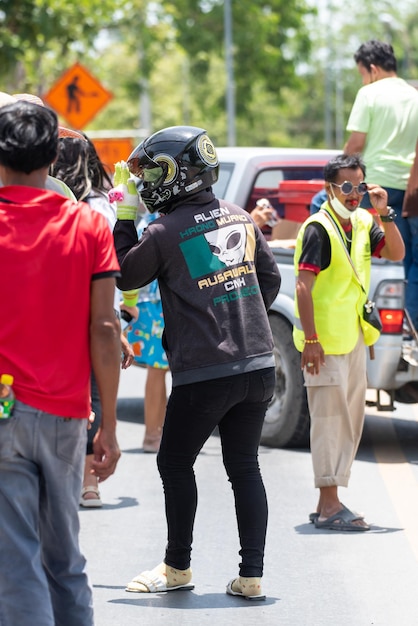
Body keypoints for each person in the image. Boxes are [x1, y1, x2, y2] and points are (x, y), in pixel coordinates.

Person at [113, 126, 281, 600]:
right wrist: (235, 312)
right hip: (258, 366)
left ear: (178, 174)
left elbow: (126, 271)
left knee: (174, 463)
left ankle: (177, 567)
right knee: (245, 467)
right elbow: (266, 281)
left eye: (152, 173)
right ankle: (251, 576)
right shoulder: (240, 218)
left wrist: (124, 212)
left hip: (206, 371)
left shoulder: (165, 232)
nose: (146, 183)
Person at [0, 100, 122, 625]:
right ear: (53, 154)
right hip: (67, 416)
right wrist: (110, 425)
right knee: (64, 557)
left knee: (16, 559)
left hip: (4, 413)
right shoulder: (89, 226)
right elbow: (105, 328)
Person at [293, 153, 404, 531]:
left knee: (351, 422)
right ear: (329, 188)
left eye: (358, 186)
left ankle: (332, 499)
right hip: (322, 343)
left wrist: (384, 213)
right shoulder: (317, 229)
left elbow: (395, 252)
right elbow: (302, 288)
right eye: (346, 186)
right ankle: (327, 506)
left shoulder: (361, 222)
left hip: (353, 338)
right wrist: (311, 340)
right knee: (328, 422)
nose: (353, 193)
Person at [50, 134, 135, 507]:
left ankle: (59, 478)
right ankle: (89, 481)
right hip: (100, 312)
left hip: (61, 317)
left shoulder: (50, 204)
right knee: (95, 393)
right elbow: (111, 271)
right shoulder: (104, 206)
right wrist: (115, 323)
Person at [344, 39, 418, 330]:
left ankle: (365, 321)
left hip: (372, 189)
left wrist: (337, 172)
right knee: (408, 263)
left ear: (372, 69)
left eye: (362, 73)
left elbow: (357, 143)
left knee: (361, 255)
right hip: (409, 191)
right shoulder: (415, 96)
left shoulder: (369, 93)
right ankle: (409, 331)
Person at [121, 212, 169, 454]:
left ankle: (157, 432)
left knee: (161, 368)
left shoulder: (154, 219)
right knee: (158, 368)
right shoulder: (150, 221)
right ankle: (152, 435)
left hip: (155, 301)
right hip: (152, 302)